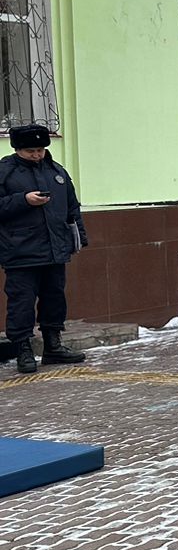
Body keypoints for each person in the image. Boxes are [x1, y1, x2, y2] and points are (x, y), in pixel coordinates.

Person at [0, 124, 89, 371]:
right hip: (20, 251)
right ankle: (24, 351)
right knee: (21, 302)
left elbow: (72, 207)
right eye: (31, 151)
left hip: (54, 248)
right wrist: (23, 200)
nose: (37, 155)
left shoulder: (57, 171)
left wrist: (79, 237)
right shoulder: (4, 172)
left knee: (54, 299)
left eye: (40, 150)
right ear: (17, 149)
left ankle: (53, 346)